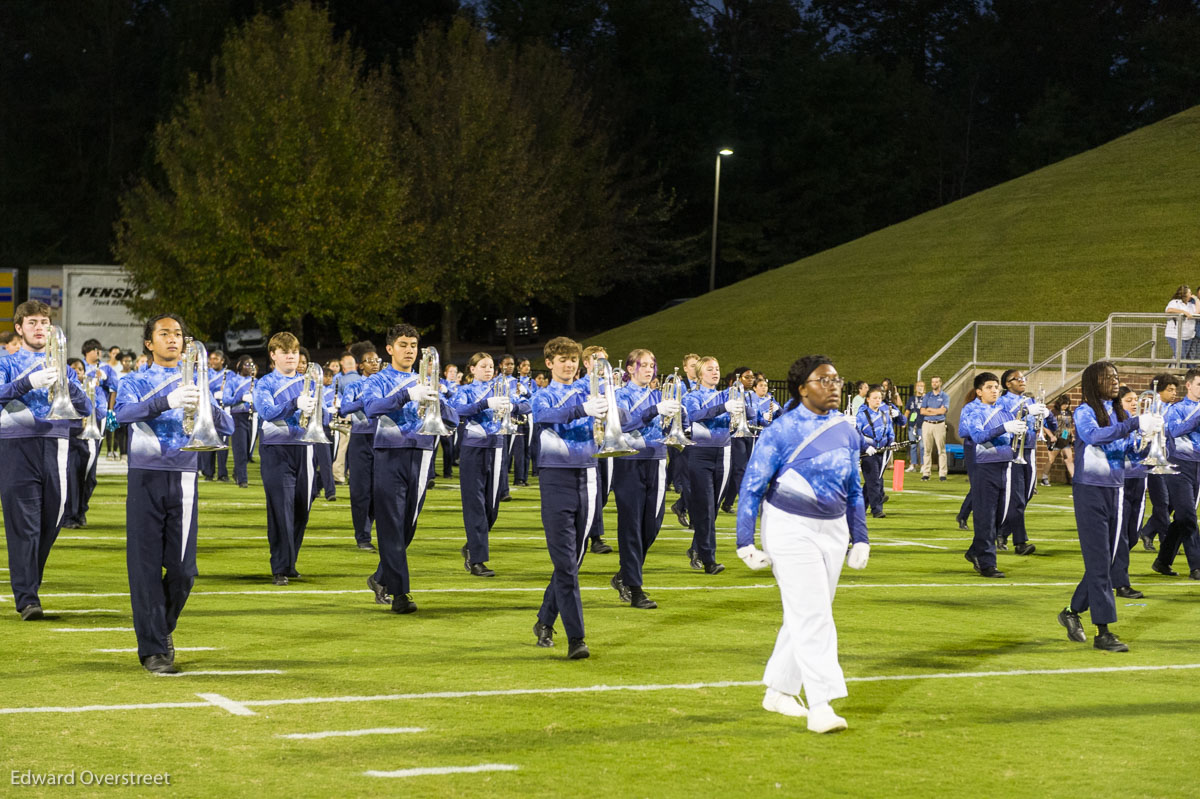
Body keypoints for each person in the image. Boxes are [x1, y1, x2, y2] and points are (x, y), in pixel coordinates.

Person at [735, 354, 868, 733]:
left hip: (835, 528)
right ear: (802, 388)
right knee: (814, 616)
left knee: (807, 612)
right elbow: (752, 486)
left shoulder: (846, 427)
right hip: (789, 527)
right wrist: (745, 540)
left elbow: (854, 488)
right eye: (823, 380)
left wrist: (860, 537)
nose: (834, 386)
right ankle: (822, 704)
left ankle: (777, 691)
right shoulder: (783, 430)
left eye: (837, 379)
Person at [113, 314, 234, 673]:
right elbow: (122, 415)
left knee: (184, 570)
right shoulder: (134, 380)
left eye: (178, 334)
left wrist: (205, 401)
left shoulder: (199, 379)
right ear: (149, 343)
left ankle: (161, 627)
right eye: (164, 334)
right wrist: (166, 401)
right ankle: (153, 649)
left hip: (184, 475)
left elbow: (226, 426)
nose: (173, 339)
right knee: (144, 568)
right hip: (145, 477)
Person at [0, 301, 93, 619]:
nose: (39, 327)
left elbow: (86, 409)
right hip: (16, 447)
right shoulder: (7, 362)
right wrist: (29, 383)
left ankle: (29, 586)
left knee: (51, 522)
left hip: (57, 445)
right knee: (24, 526)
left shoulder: (63, 367)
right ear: (19, 328)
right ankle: (27, 597)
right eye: (32, 322)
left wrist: (66, 385)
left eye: (44, 322)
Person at [1057, 362, 1158, 652]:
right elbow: (1094, 437)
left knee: (1106, 562)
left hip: (1116, 489)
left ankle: (1071, 611)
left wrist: (1148, 441)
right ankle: (1104, 631)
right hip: (1090, 492)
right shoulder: (1085, 411)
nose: (1115, 381)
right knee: (1100, 563)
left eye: (1116, 377)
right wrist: (1133, 424)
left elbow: (1127, 451)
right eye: (1109, 377)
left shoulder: (1119, 412)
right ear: (1093, 381)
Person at [361, 324, 458, 614]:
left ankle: (380, 577)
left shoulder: (429, 380)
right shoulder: (378, 380)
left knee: (407, 526)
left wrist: (437, 397)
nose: (409, 350)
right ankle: (401, 593)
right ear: (390, 349)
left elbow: (452, 419)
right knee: (391, 524)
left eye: (414, 345)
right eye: (403, 344)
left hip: (423, 453)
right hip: (390, 454)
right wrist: (406, 396)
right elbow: (371, 408)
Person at [530, 336, 605, 659]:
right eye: (562, 359)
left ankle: (545, 619)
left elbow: (622, 422)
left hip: (588, 475)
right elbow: (549, 416)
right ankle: (577, 638)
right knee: (565, 561)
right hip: (555, 477)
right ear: (549, 363)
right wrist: (582, 408)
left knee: (573, 560)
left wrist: (653, 411)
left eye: (573, 359)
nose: (569, 364)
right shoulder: (541, 395)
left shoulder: (593, 392)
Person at [611, 348, 679, 610]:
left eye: (652, 364)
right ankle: (635, 588)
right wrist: (654, 410)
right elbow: (623, 425)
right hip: (629, 461)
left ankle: (624, 575)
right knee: (631, 525)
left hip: (658, 458)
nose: (650, 369)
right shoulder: (620, 394)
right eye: (643, 364)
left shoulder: (659, 394)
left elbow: (667, 425)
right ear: (630, 369)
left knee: (652, 525)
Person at [449, 352, 529, 577]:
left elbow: (528, 406)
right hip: (473, 448)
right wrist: (484, 404)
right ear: (472, 369)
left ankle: (473, 545)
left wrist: (513, 407)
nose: (488, 370)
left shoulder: (503, 388)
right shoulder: (464, 391)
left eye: (491, 366)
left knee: (492, 507)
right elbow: (455, 412)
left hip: (497, 446)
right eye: (482, 366)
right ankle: (477, 560)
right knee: (475, 504)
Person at [253, 333, 323, 585]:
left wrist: (324, 411)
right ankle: (280, 567)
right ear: (273, 355)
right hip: (277, 449)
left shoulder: (310, 382)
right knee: (281, 509)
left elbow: (321, 416)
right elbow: (267, 412)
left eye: (293, 351)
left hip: (305, 448)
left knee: (301, 509)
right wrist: (295, 403)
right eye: (285, 352)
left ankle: (290, 561)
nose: (291, 356)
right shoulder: (265, 384)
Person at [957, 372, 1040, 578]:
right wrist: (1004, 427)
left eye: (996, 387)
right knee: (986, 515)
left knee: (1005, 513)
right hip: (985, 465)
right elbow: (977, 435)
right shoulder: (972, 409)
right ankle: (987, 563)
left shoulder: (1003, 410)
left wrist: (1033, 422)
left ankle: (976, 551)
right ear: (979, 392)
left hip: (1007, 465)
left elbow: (1020, 435)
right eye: (989, 387)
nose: (994, 391)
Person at [681, 355, 742, 574]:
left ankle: (698, 548)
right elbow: (696, 415)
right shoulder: (692, 396)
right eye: (709, 369)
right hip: (700, 453)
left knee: (713, 507)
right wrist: (723, 407)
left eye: (717, 368)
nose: (715, 372)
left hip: (724, 452)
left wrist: (743, 409)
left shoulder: (726, 394)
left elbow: (752, 416)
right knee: (705, 506)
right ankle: (709, 559)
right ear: (699, 374)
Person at [1151, 367, 1200, 579]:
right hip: (1179, 465)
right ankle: (1197, 566)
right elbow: (1174, 430)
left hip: (1198, 465)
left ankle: (1163, 560)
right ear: (1188, 385)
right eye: (1199, 384)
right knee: (1189, 515)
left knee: (1182, 517)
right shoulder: (1176, 409)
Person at [62, 339, 117, 528]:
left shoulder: (103, 372)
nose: (78, 372)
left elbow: (113, 388)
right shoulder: (67, 386)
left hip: (94, 425)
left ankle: (80, 511)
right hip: (72, 430)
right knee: (71, 474)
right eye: (74, 369)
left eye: (80, 370)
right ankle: (70, 514)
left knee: (90, 477)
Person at [338, 341, 382, 552]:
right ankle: (363, 536)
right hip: (361, 439)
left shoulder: (385, 382)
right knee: (361, 490)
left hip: (383, 439)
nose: (374, 364)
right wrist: (365, 401)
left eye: (377, 360)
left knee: (380, 490)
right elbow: (344, 407)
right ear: (360, 366)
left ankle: (377, 530)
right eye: (369, 361)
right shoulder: (355, 386)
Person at [994, 370, 1043, 555]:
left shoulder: (1030, 400)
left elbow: (1035, 423)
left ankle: (1002, 531)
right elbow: (1004, 418)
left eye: (1024, 378)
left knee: (1027, 495)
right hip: (1013, 450)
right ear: (1008, 384)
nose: (1022, 381)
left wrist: (1044, 418)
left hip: (1029, 449)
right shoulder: (1002, 401)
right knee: (1017, 498)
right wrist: (1024, 411)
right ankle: (1020, 542)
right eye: (1018, 379)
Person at [1109, 386, 1148, 600]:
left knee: (1133, 534)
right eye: (1128, 400)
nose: (1134, 403)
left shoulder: (1141, 423)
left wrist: (1151, 439)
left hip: (1139, 479)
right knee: (1122, 535)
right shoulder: (1116, 425)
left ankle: (1111, 569)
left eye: (1135, 400)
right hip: (1120, 480)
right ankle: (1121, 583)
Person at [576, 345, 615, 554]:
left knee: (605, 490)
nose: (602, 365)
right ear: (586, 363)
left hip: (607, 440)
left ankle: (592, 529)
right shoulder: (579, 386)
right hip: (587, 443)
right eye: (597, 360)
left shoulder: (610, 385)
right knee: (594, 491)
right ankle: (595, 537)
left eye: (604, 360)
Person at [1136, 374, 1178, 550]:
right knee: (1162, 501)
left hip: (1168, 457)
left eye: (1175, 389)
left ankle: (1148, 531)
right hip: (1153, 458)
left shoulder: (1172, 408)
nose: (1174, 393)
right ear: (1158, 390)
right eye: (1170, 389)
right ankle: (1166, 542)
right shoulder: (1151, 409)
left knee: (1172, 501)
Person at [721, 366, 756, 513]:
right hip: (735, 435)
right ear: (738, 379)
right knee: (740, 470)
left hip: (748, 433)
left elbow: (754, 414)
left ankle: (728, 502)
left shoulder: (751, 395)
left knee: (740, 470)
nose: (750, 380)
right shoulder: (729, 393)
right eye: (747, 377)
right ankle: (746, 503)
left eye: (752, 377)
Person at [855, 385, 894, 518]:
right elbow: (857, 432)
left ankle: (859, 508)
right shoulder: (861, 415)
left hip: (882, 452)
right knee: (875, 481)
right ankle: (877, 509)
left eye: (879, 398)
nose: (878, 400)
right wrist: (866, 447)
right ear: (868, 399)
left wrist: (891, 442)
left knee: (873, 480)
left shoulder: (884, 414)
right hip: (869, 453)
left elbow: (890, 431)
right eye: (875, 398)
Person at [222, 355, 256, 488]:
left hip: (252, 417)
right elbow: (225, 399)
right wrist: (240, 398)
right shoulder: (232, 381)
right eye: (247, 364)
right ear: (239, 365)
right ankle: (243, 479)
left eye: (251, 364)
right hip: (237, 416)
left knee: (248, 450)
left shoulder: (256, 382)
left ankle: (237, 472)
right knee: (240, 449)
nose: (249, 367)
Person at [198, 348, 231, 483]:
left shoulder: (229, 375)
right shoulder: (204, 374)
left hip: (222, 411)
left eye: (215, 359)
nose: (212, 361)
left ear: (222, 361)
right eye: (211, 359)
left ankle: (222, 473)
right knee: (207, 442)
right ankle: (208, 473)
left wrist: (225, 394)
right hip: (207, 410)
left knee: (222, 443)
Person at [331, 350, 359, 485]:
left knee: (342, 448)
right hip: (361, 418)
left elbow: (334, 399)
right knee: (358, 448)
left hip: (345, 416)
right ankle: (353, 473)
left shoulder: (339, 380)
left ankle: (338, 475)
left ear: (343, 367)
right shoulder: (363, 380)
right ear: (356, 366)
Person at [920, 376, 950, 481]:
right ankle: (926, 473)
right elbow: (922, 411)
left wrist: (930, 410)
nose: (934, 384)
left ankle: (942, 474)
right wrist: (937, 410)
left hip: (939, 424)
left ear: (940, 383)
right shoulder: (927, 396)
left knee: (941, 450)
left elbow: (943, 411)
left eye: (936, 382)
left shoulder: (945, 396)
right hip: (927, 424)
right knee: (927, 449)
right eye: (933, 382)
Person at [1042, 394, 1076, 486]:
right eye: (1064, 404)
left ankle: (1074, 478)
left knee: (1069, 459)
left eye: (1068, 404)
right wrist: (1051, 436)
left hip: (1065, 437)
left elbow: (1068, 426)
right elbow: (1045, 426)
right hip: (1054, 438)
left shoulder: (1069, 413)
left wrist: (1071, 435)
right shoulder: (1053, 412)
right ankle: (1044, 477)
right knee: (1051, 459)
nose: (1066, 406)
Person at [438, 362, 460, 479]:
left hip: (451, 418)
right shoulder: (440, 383)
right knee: (435, 445)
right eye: (450, 371)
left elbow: (457, 400)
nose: (453, 374)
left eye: (455, 372)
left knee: (449, 446)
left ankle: (448, 471)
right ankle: (431, 472)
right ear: (445, 373)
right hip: (440, 417)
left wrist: (447, 391)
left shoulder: (458, 387)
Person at [1164, 284, 1196, 363]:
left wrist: (1196, 299)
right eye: (1190, 293)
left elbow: (1197, 311)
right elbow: (1169, 310)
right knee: (1180, 355)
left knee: (1183, 357)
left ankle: (1175, 371)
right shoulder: (1175, 302)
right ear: (1184, 294)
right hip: (1175, 335)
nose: (1191, 295)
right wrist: (1184, 312)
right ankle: (1174, 371)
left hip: (1188, 336)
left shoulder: (1191, 305)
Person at [903, 380, 925, 472]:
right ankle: (913, 464)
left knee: (922, 445)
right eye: (918, 386)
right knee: (913, 445)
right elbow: (907, 410)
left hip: (922, 424)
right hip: (913, 424)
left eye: (922, 386)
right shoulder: (912, 399)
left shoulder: (926, 398)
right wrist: (903, 421)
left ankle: (923, 465)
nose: (920, 387)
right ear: (916, 387)